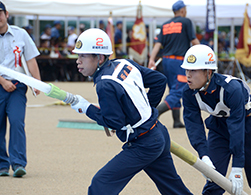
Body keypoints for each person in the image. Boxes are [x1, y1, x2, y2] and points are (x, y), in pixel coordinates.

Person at [70, 28, 193, 195]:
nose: (78, 61)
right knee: (174, 190)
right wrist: (144, 113)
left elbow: (115, 123)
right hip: (158, 132)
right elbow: (159, 80)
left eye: (83, 56)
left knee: (101, 184)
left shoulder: (104, 84)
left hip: (143, 143)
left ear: (99, 58)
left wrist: (85, 107)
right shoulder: (124, 63)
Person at [181, 44, 251, 195]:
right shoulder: (188, 92)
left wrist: (237, 167)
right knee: (214, 179)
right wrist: (203, 155)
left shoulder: (232, 89)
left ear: (208, 71)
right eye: (186, 69)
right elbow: (193, 125)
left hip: (247, 124)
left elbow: (237, 126)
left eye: (193, 70)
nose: (188, 75)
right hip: (219, 126)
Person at [0, 1, 41, 177]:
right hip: (0, 85)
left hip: (17, 87)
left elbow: (30, 59)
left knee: (17, 122)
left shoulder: (20, 34)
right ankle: (2, 165)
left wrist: (37, 82)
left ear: (6, 14)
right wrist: (2, 81)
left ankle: (18, 163)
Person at [148, 0, 200, 128]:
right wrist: (204, 53)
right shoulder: (186, 22)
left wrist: (151, 59)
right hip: (179, 61)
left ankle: (176, 121)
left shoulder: (165, 25)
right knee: (180, 90)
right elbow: (194, 40)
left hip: (166, 61)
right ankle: (155, 112)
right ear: (182, 10)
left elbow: (158, 44)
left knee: (173, 89)